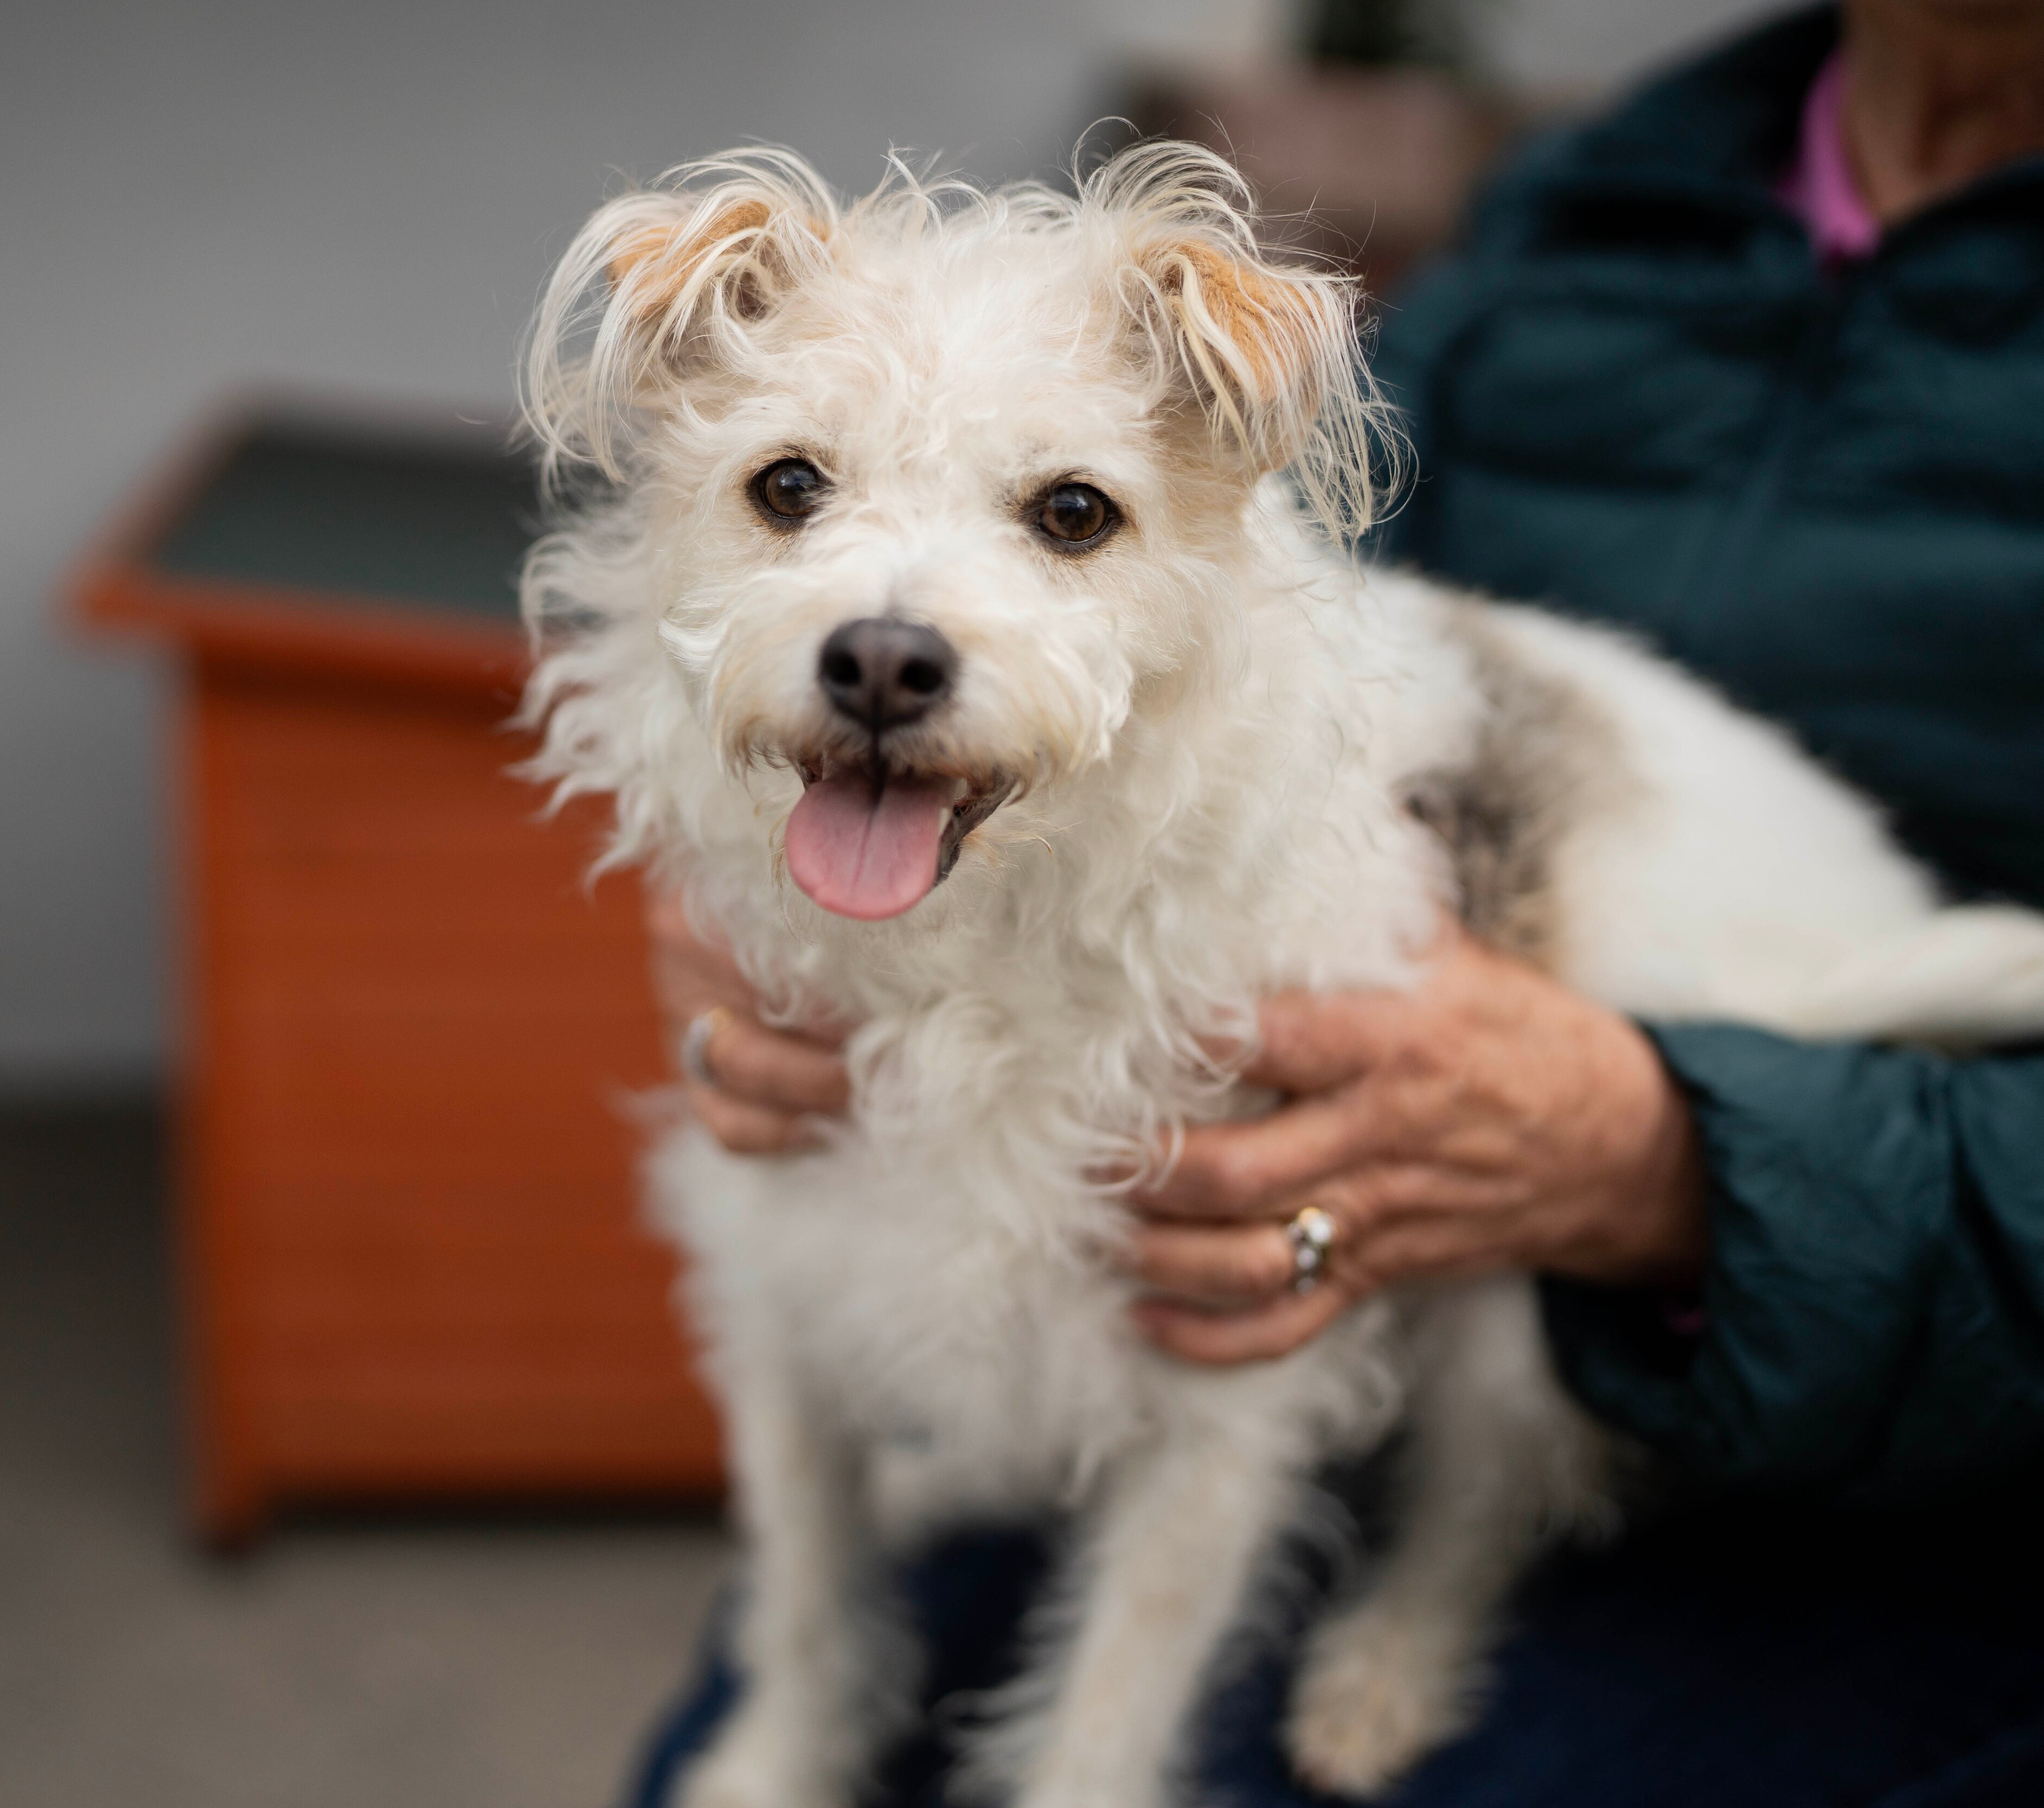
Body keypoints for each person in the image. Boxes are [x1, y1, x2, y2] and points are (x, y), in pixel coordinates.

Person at [626, 4, 2044, 1803]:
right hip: (1362, 1089)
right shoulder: (1605, 191)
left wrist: (1669, 1157)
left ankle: (1433, 1597)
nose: (890, 623)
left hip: (1926, 1397)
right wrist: (756, 895)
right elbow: (1291, 574)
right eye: (793, 489)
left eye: (1061, 510)